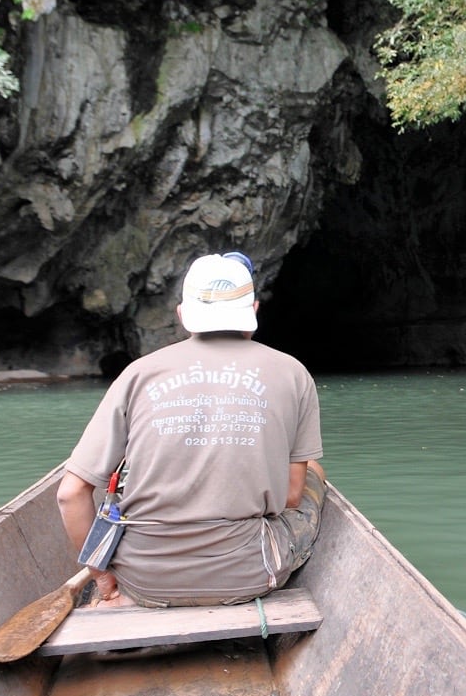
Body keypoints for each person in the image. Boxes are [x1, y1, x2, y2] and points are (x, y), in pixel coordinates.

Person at [57, 251, 325, 608]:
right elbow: (291, 498)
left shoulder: (138, 374)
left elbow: (70, 494)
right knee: (313, 476)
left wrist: (104, 579)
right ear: (254, 311)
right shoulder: (293, 373)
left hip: (143, 582)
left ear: (183, 315)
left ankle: (119, 600)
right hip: (249, 575)